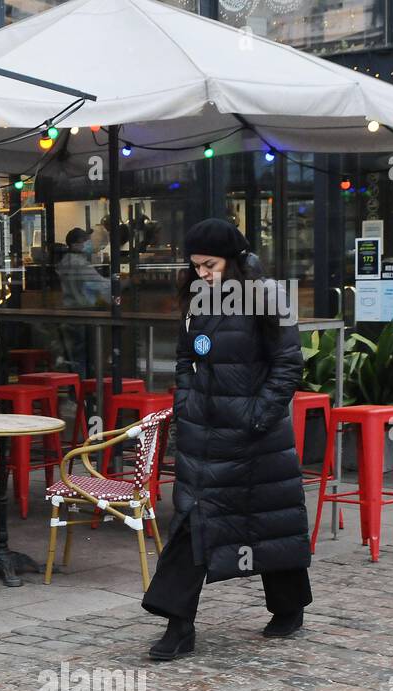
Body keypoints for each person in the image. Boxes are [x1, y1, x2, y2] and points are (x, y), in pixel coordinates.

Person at [142, 218, 312, 660]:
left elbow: (288, 365)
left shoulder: (269, 297)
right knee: (191, 521)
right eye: (196, 266)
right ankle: (178, 626)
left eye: (210, 264)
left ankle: (289, 608)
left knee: (269, 518)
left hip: (254, 435)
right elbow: (184, 356)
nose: (202, 273)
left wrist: (257, 417)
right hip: (203, 433)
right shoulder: (197, 299)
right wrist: (185, 401)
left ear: (233, 259)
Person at [57, 227, 109, 309]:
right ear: (74, 244)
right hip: (83, 309)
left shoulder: (66, 260)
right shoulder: (79, 263)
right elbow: (100, 285)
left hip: (70, 308)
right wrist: (123, 282)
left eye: (88, 240)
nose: (88, 243)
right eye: (84, 241)